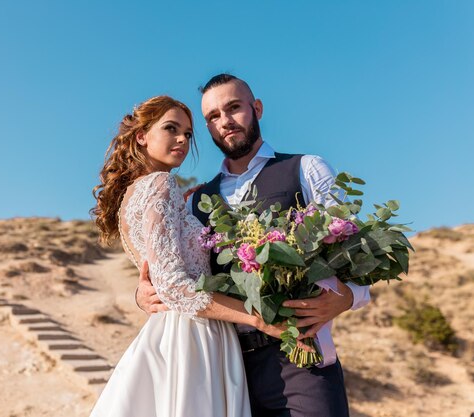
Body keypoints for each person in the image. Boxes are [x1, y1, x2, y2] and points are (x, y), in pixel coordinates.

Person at [135, 75, 371, 417]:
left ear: (256, 108)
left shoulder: (305, 169)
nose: (225, 121)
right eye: (213, 117)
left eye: (233, 108)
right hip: (224, 369)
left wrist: (347, 297)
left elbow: (357, 256)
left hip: (300, 361)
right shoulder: (197, 201)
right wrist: (142, 294)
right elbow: (175, 274)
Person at [90, 95, 297, 417]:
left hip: (170, 332)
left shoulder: (136, 192)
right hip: (196, 336)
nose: (182, 140)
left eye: (187, 133)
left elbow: (160, 270)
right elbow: (173, 286)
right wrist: (259, 318)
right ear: (141, 136)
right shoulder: (161, 184)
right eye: (171, 128)